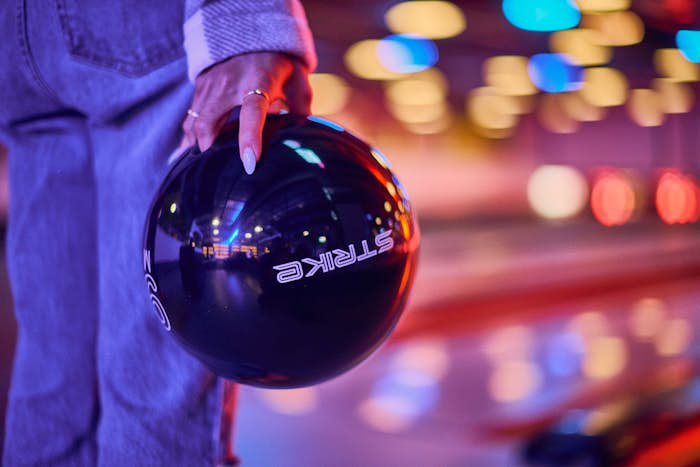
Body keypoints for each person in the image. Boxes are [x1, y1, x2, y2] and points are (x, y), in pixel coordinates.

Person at [0, 0, 316, 465]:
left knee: (54, 392)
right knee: (153, 399)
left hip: (16, 45)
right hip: (128, 25)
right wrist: (247, 23)